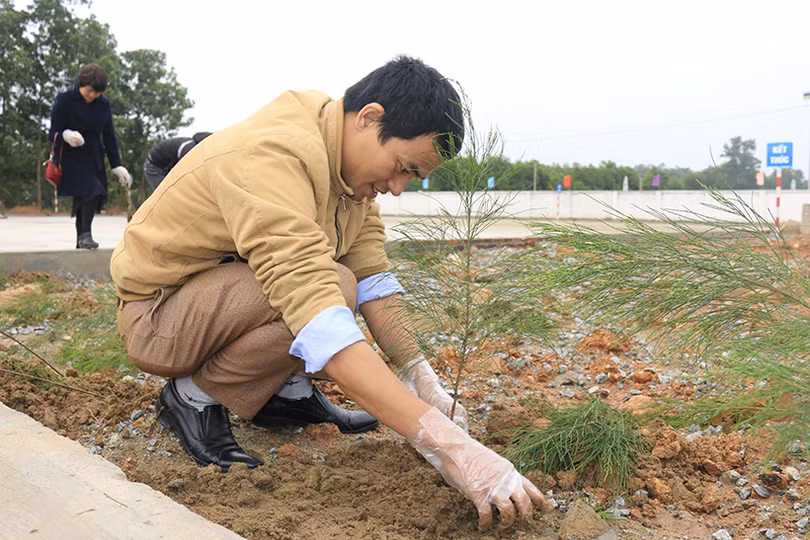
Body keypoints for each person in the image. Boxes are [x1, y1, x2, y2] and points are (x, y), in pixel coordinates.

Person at [111, 56, 546, 529]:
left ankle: (282, 392)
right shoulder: (272, 157)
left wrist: (421, 376)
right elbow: (314, 313)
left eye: (413, 177)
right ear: (369, 118)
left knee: (344, 281)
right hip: (160, 317)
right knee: (325, 288)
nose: (398, 188)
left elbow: (375, 282)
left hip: (220, 300)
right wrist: (448, 444)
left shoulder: (353, 182)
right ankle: (193, 397)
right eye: (402, 167)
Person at [48, 63, 132, 249]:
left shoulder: (104, 105)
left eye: (97, 93)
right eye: (89, 91)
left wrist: (116, 165)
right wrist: (66, 135)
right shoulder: (65, 100)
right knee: (91, 190)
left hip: (94, 155)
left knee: (87, 195)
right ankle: (86, 235)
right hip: (71, 156)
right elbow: (52, 132)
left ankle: (82, 240)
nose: (93, 96)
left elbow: (109, 136)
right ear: (81, 84)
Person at [143, 132, 213, 189]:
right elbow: (189, 174)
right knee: (164, 192)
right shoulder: (188, 149)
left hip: (168, 164)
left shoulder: (193, 146)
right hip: (153, 166)